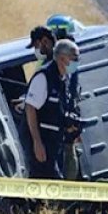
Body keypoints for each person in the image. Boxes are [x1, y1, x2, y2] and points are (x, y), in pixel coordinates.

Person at [22, 39, 80, 180]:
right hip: (41, 142)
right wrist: (37, 142)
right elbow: (30, 108)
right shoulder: (44, 77)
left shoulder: (64, 79)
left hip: (56, 142)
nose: (77, 62)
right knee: (48, 180)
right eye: (74, 58)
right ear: (62, 58)